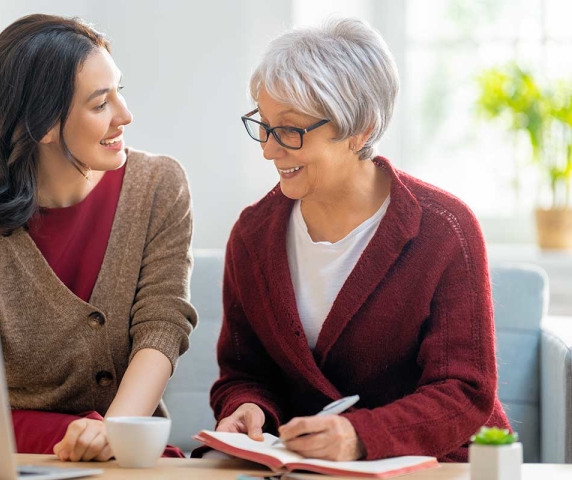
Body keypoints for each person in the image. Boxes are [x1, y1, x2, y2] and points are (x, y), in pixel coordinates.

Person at [209, 17, 511, 462]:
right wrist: (246, 407)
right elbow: (243, 372)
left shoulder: (445, 229)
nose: (268, 150)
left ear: (362, 128)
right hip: (308, 469)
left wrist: (359, 436)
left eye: (290, 130)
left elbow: (464, 392)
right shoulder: (253, 236)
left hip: (435, 466)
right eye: (264, 125)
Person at [0, 14, 197, 462]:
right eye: (99, 105)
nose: (125, 116)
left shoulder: (159, 187)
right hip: (18, 458)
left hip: (128, 453)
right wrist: (74, 434)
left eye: (120, 92)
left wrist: (115, 431)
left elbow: (163, 325)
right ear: (43, 126)